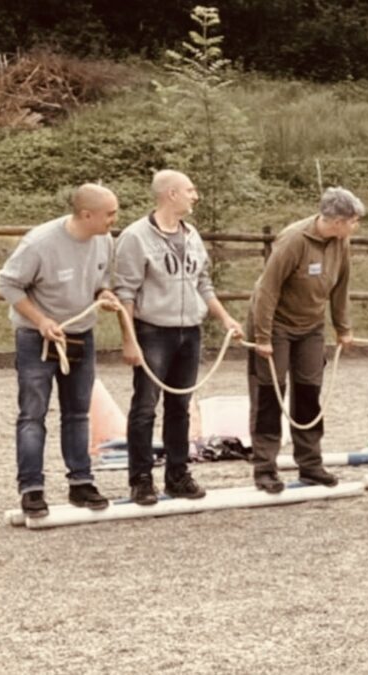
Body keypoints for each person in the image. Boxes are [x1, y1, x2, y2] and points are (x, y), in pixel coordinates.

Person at [114, 170, 243, 505]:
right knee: (145, 406)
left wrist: (225, 317)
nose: (195, 196)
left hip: (190, 331)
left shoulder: (192, 235)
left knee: (181, 406)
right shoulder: (135, 237)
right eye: (190, 190)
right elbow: (125, 293)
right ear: (171, 194)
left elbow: (203, 283)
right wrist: (129, 339)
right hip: (153, 330)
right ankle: (141, 479)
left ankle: (177, 474)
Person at [0, 184, 123, 518]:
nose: (115, 219)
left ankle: (81, 481)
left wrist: (103, 294)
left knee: (78, 412)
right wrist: (40, 321)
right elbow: (7, 282)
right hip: (37, 338)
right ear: (86, 214)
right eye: (110, 213)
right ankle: (31, 488)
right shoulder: (40, 243)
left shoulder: (104, 241)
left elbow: (97, 279)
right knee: (33, 414)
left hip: (80, 333)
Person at [247, 187, 363, 494]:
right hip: (277, 325)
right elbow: (267, 289)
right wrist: (263, 335)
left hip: (311, 326)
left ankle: (310, 464)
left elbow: (341, 285)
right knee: (271, 395)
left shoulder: (341, 242)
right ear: (337, 220)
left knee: (309, 394)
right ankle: (265, 469)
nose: (356, 226)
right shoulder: (293, 240)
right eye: (353, 221)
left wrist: (343, 326)